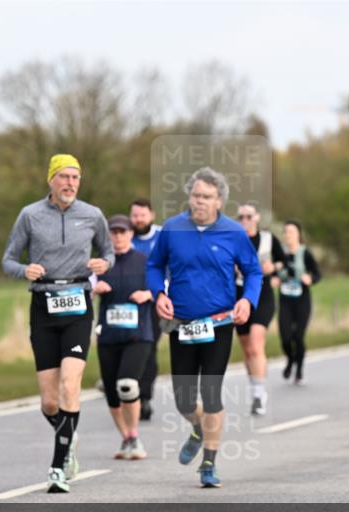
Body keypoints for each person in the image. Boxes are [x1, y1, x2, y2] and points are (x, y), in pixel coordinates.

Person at [2, 154, 113, 493]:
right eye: (63, 177)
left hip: (79, 303)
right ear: (50, 180)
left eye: (75, 177)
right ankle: (69, 434)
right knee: (50, 402)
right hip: (44, 305)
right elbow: (8, 260)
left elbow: (108, 253)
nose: (69, 183)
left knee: (70, 385)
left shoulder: (92, 215)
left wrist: (103, 264)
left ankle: (58, 467)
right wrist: (25, 270)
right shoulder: (30, 215)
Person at [147, 167, 262, 488]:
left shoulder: (233, 232)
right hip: (182, 323)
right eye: (196, 195)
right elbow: (155, 265)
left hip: (219, 323)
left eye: (207, 197)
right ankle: (198, 427)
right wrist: (158, 294)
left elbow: (253, 272)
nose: (199, 202)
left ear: (219, 201)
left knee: (211, 393)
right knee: (184, 399)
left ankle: (209, 463)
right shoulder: (172, 228)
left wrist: (247, 302)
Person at [94, 215, 155, 460]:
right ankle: (126, 438)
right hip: (108, 335)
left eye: (123, 232)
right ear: (108, 236)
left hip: (138, 334)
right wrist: (93, 288)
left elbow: (167, 287)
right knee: (112, 393)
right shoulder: (99, 265)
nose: (118, 237)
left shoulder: (145, 261)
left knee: (127, 384)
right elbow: (80, 291)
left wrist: (148, 293)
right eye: (114, 232)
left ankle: (135, 435)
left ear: (131, 234)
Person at [234, 203, 286, 416]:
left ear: (256, 217)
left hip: (262, 295)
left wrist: (273, 267)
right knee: (246, 349)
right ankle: (255, 387)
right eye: (241, 217)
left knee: (256, 345)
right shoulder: (233, 240)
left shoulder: (268, 239)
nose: (245, 220)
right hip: (239, 295)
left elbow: (283, 261)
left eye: (248, 216)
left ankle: (259, 394)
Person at [271, 220, 321, 384]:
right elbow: (271, 271)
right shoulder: (279, 253)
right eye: (286, 232)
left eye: (291, 232)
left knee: (298, 337)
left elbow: (317, 274)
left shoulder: (305, 253)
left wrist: (310, 278)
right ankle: (290, 360)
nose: (288, 235)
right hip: (285, 301)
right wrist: (274, 278)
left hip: (302, 301)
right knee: (285, 338)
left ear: (299, 235)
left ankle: (299, 370)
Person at [129, 198, 163, 421]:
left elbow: (172, 268)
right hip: (129, 302)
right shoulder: (124, 235)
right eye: (135, 215)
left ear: (151, 215)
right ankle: (126, 389)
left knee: (148, 348)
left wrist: (154, 294)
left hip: (154, 303)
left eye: (142, 215)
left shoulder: (162, 236)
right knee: (127, 346)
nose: (138, 219)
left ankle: (145, 397)